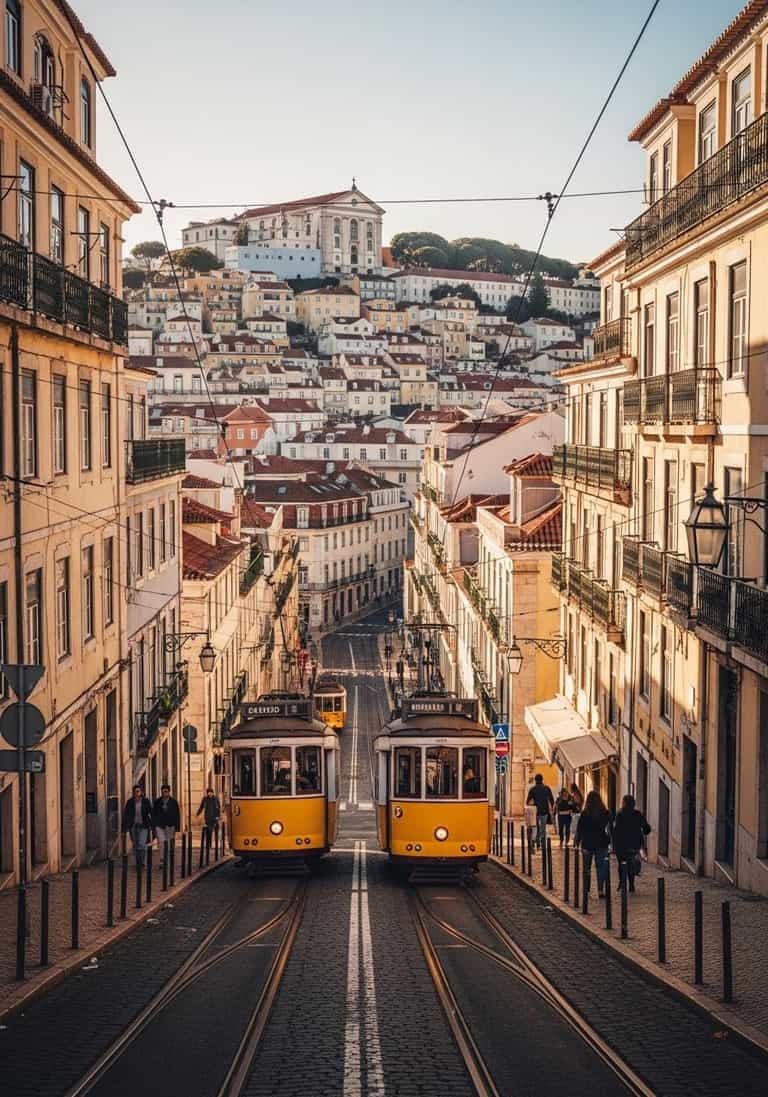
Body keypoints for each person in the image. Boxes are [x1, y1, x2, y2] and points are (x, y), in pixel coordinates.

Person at [575, 790, 612, 897]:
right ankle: (600, 890)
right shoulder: (605, 813)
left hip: (587, 843)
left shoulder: (584, 813)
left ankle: (586, 890)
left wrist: (577, 842)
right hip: (601, 843)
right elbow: (610, 829)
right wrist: (611, 843)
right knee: (601, 868)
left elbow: (580, 829)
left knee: (586, 868)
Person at [612, 794, 651, 893]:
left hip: (621, 844)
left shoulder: (620, 814)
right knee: (631, 864)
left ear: (623, 803)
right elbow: (646, 828)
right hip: (634, 844)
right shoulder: (637, 814)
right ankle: (631, 884)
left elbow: (616, 830)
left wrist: (614, 844)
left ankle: (622, 883)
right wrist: (645, 830)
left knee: (622, 864)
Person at [123, 785, 153, 867]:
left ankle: (142, 861)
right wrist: (125, 828)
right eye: (135, 792)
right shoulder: (130, 802)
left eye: (138, 791)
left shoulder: (146, 801)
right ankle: (138, 861)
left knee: (142, 844)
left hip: (143, 826)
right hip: (133, 826)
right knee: (136, 845)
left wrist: (152, 825)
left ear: (141, 792)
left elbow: (151, 812)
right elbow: (126, 815)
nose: (137, 793)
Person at [526, 773, 554, 852]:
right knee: (543, 829)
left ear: (535, 780)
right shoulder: (547, 788)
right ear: (542, 780)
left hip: (536, 812)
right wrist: (552, 809)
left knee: (536, 829)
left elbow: (527, 801)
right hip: (544, 812)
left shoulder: (532, 789)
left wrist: (533, 803)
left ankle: (537, 844)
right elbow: (551, 800)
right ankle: (542, 844)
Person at [153, 784, 181, 864]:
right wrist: (154, 825)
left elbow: (177, 814)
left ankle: (167, 858)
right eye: (163, 792)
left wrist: (177, 827)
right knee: (161, 842)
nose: (164, 793)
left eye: (166, 792)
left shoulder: (173, 802)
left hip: (170, 826)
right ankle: (162, 859)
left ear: (169, 792)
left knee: (168, 843)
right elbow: (154, 813)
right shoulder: (157, 802)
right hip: (160, 825)